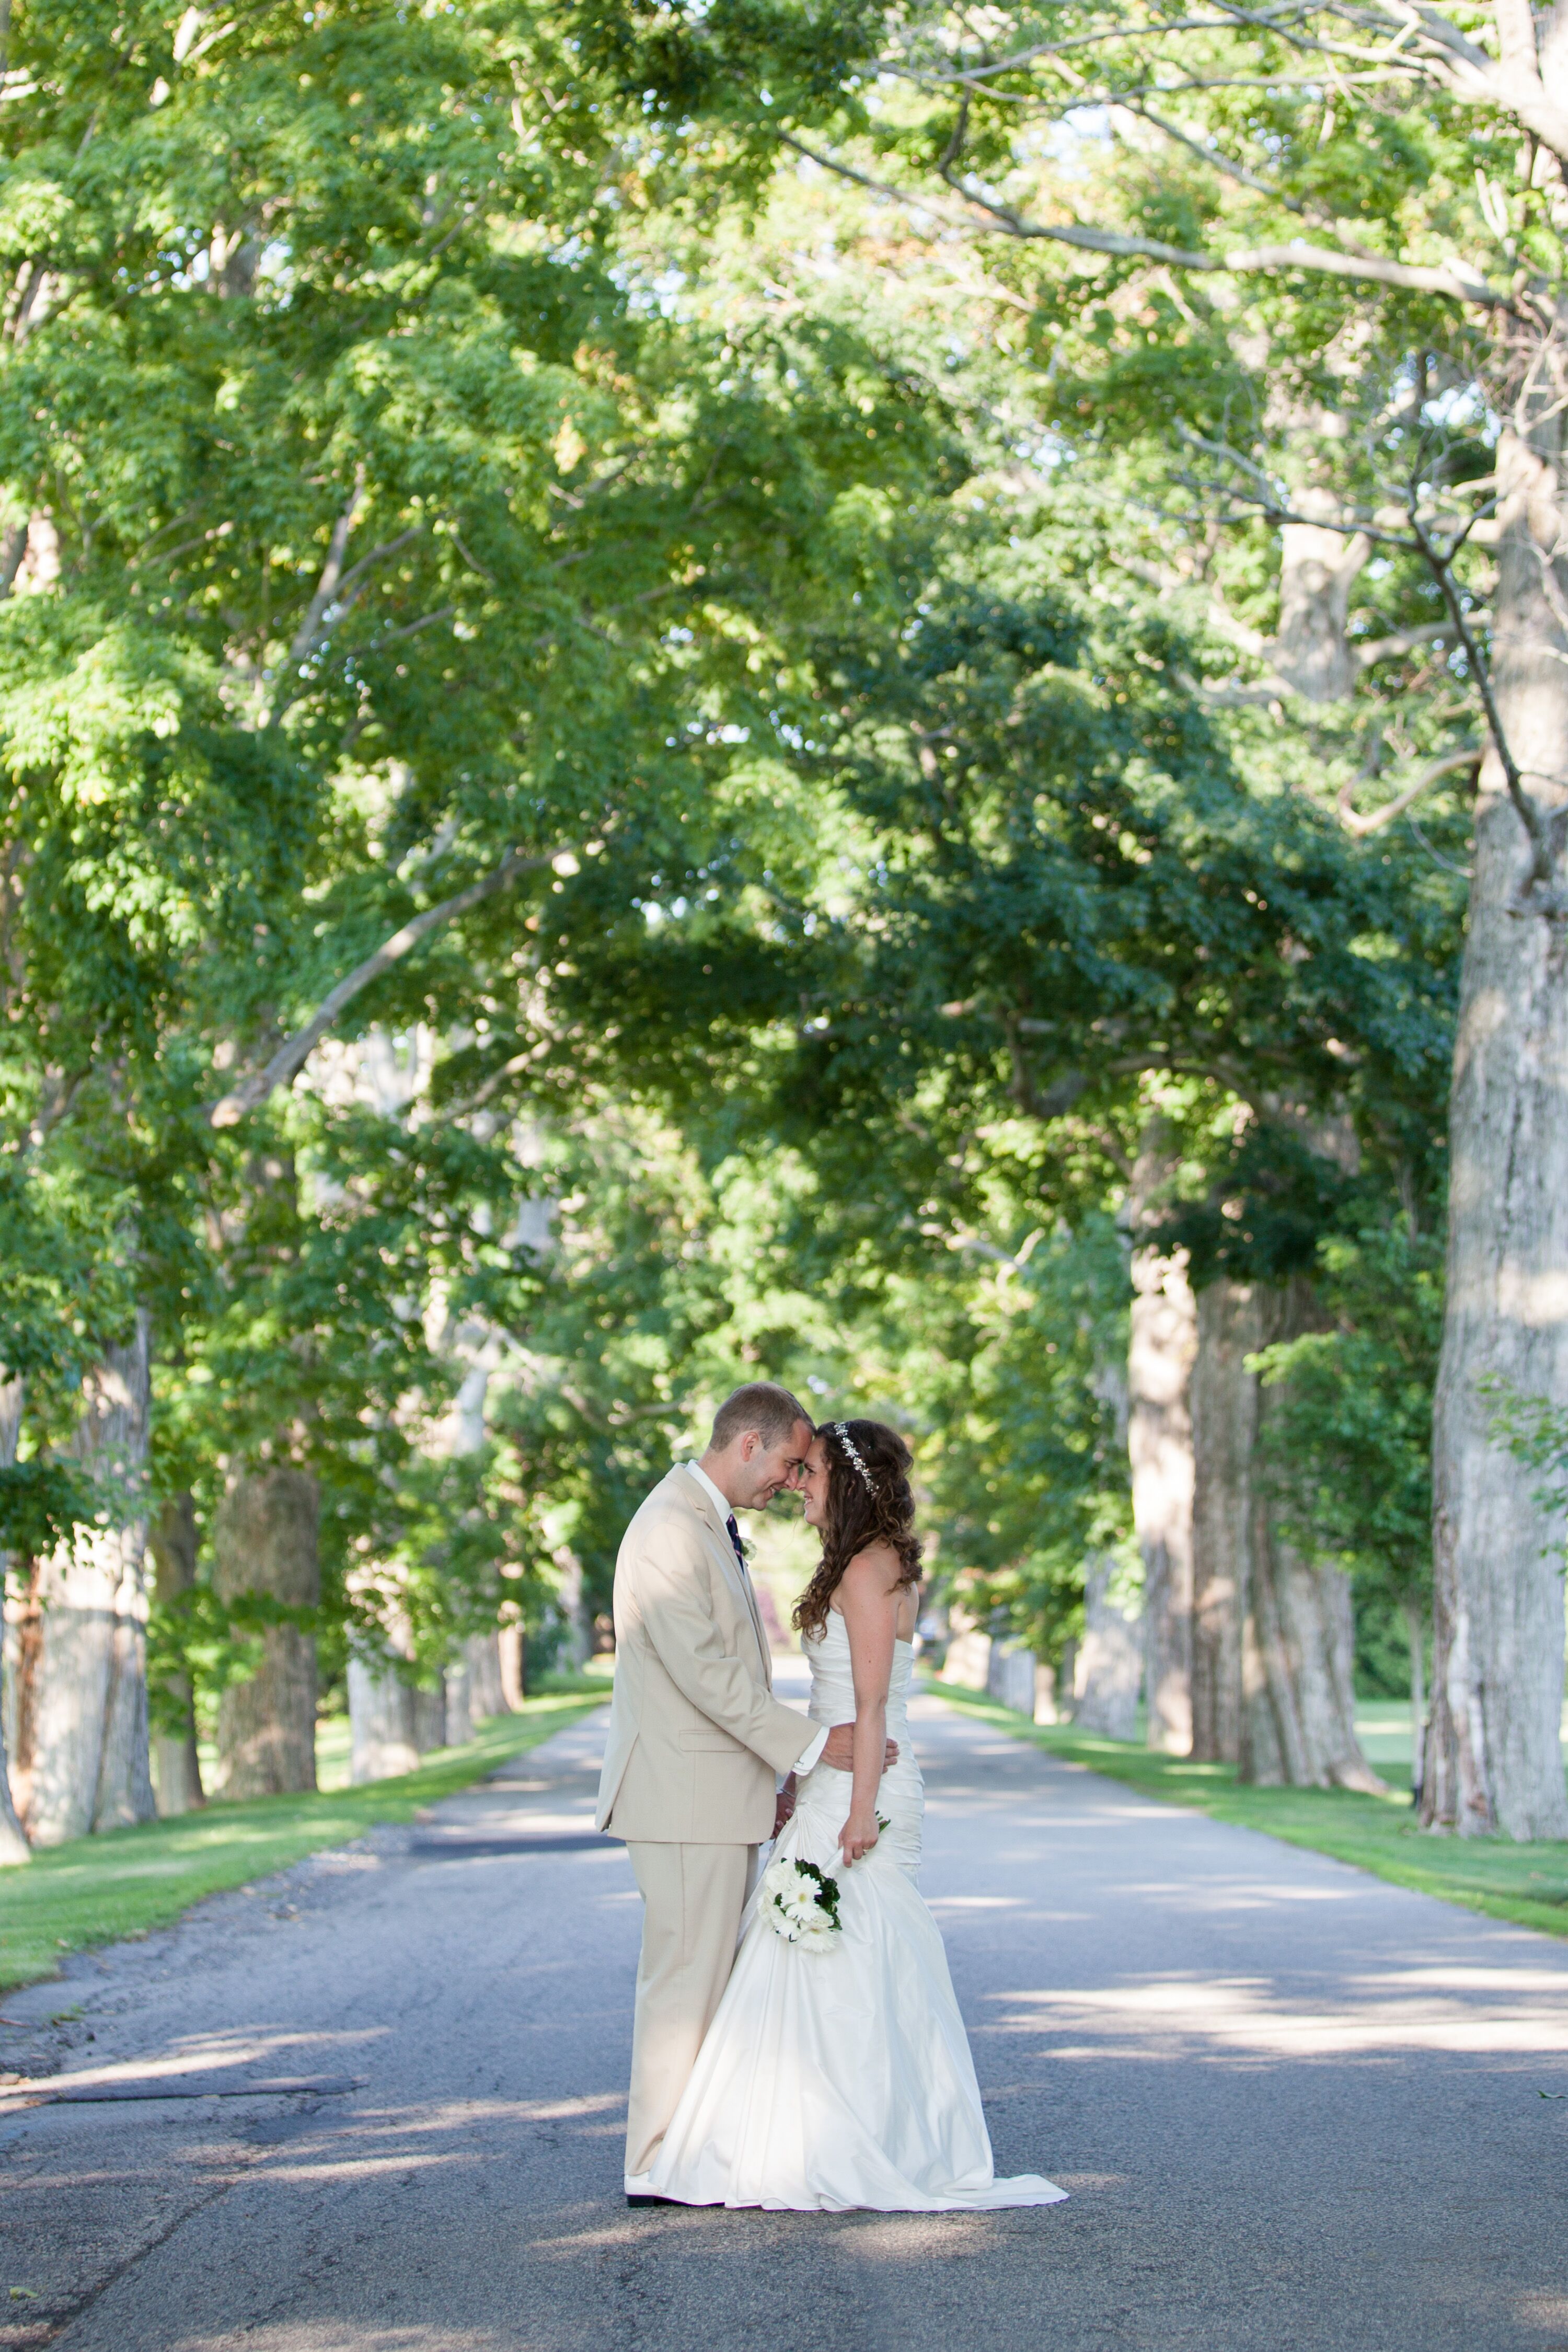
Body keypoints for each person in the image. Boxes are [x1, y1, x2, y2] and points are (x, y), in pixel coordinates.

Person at [641, 1416, 1067, 2213]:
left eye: (810, 1473)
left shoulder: (870, 1569)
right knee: (817, 1953)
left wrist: (859, 1814)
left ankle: (851, 2136)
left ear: (848, 1481)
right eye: (794, 1470)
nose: (797, 1485)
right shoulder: (869, 1562)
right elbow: (838, 1705)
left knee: (852, 1952)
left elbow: (871, 1707)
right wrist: (800, 1791)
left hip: (864, 1786)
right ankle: (805, 2132)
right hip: (834, 1780)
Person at [596, 1382, 897, 2202]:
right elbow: (707, 1674)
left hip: (711, 1792)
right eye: (792, 1464)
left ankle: (687, 2150)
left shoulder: (702, 1522)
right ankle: (655, 2161)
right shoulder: (668, 1528)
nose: (793, 1483)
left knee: (705, 1975)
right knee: (684, 1978)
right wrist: (811, 1748)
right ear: (749, 1446)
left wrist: (766, 1780)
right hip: (681, 1797)